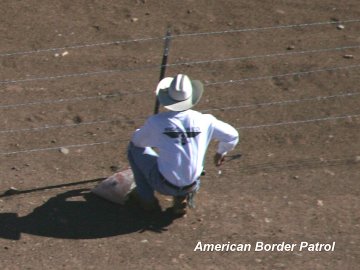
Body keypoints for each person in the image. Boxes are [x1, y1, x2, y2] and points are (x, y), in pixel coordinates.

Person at [127, 74, 239, 216]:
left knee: (133, 149)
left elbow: (138, 141)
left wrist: (152, 135)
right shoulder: (205, 120)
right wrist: (220, 152)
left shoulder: (157, 122)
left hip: (163, 184)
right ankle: (182, 197)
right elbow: (232, 135)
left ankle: (147, 199)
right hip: (192, 185)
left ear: (167, 98)